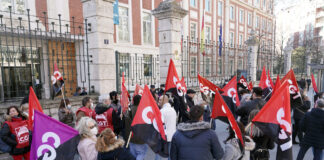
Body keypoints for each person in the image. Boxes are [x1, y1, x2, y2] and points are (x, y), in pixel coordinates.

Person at [155, 95, 177, 160]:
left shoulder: (162, 111)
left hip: (164, 136)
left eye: (160, 100)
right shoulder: (173, 110)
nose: (158, 101)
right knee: (170, 154)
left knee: (158, 154)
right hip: (172, 135)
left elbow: (160, 124)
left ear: (164, 101)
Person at [129, 95, 148, 160]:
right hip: (141, 136)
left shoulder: (130, 109)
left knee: (133, 155)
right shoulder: (143, 110)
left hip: (131, 135)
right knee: (141, 153)